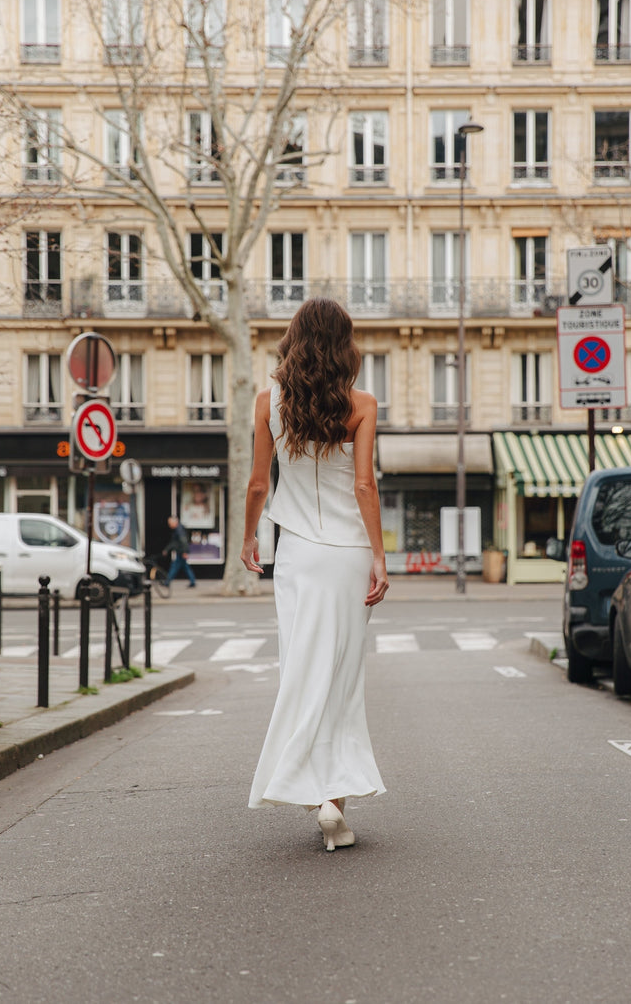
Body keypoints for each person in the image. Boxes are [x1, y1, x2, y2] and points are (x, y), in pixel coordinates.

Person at [241, 297, 389, 851]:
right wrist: (378, 556)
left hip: (297, 553)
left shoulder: (268, 402)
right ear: (345, 345)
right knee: (342, 678)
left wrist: (250, 535)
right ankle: (333, 802)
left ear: (293, 340)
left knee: (302, 667)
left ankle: (310, 787)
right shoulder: (362, 404)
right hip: (349, 553)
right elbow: (364, 486)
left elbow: (259, 483)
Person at [162, 515, 196, 588]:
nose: (169, 525)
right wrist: (167, 549)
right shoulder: (177, 530)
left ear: (175, 522)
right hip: (180, 551)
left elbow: (183, 541)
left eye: (170, 523)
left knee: (174, 567)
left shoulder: (179, 530)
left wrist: (185, 552)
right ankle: (192, 581)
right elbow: (173, 542)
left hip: (181, 552)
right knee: (185, 567)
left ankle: (167, 582)